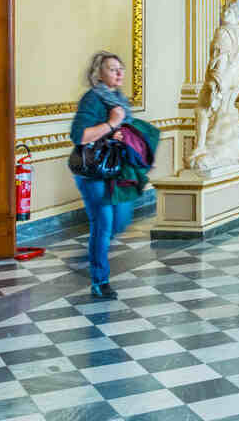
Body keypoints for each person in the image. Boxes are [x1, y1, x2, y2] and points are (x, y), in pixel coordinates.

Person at [70, 51, 159, 300]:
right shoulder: (92, 99)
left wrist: (123, 136)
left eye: (121, 68)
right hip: (94, 172)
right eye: (112, 69)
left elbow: (121, 129)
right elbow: (80, 136)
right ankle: (100, 280)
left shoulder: (119, 98)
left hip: (116, 170)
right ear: (98, 74)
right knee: (104, 221)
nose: (120, 73)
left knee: (120, 220)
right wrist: (111, 124)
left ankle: (94, 249)